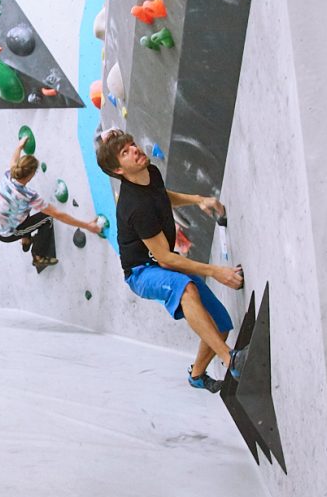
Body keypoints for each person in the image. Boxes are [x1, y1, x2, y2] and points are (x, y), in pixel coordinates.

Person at [95, 128, 247, 392]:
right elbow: (165, 258)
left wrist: (198, 200)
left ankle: (197, 376)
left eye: (132, 144)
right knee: (185, 289)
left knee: (220, 326)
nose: (135, 150)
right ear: (119, 170)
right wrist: (216, 272)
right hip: (141, 272)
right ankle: (229, 358)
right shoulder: (134, 207)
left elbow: (162, 197)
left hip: (161, 261)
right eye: (125, 152)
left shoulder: (150, 172)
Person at [0, 137, 102, 271]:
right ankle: (38, 255)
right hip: (8, 233)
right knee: (47, 219)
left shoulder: (8, 176)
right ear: (31, 175)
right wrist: (87, 225)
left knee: (22, 211)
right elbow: (58, 214)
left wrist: (19, 146)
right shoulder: (28, 195)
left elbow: (13, 160)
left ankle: (26, 240)